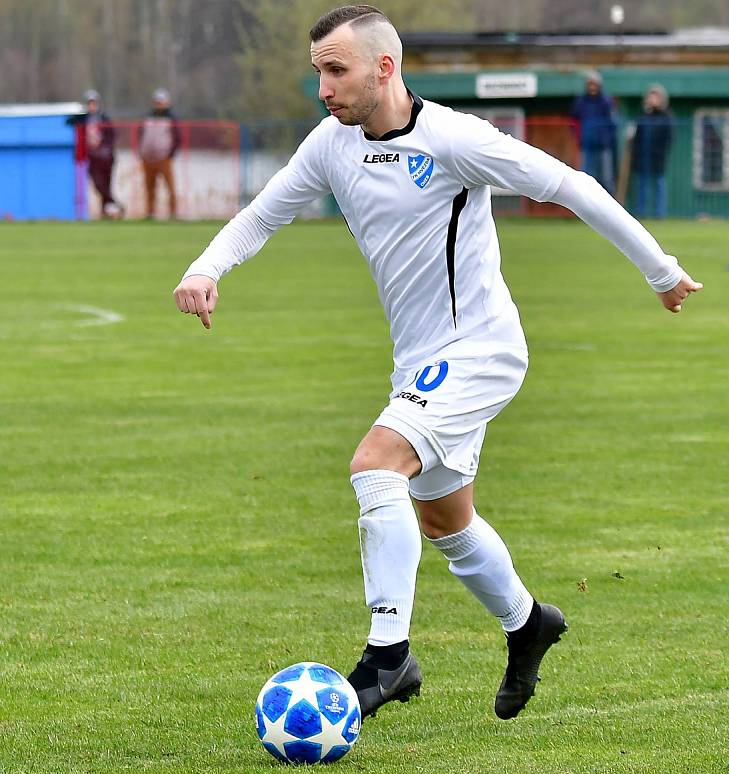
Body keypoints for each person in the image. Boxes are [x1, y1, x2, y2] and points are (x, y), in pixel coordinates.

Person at [173, 6, 702, 722]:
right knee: (446, 522)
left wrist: (660, 272)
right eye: (317, 72)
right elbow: (265, 213)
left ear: (384, 68)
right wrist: (208, 268)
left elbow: (570, 186)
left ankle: (387, 656)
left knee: (374, 464)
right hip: (420, 361)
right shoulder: (331, 144)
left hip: (480, 349)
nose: (322, 88)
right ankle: (527, 623)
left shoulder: (455, 139)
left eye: (336, 70)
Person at [66, 89, 123, 219]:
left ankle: (106, 212)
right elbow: (70, 121)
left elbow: (111, 136)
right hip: (92, 157)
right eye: (89, 103)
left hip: (105, 157)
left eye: (93, 103)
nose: (92, 105)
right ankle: (116, 204)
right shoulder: (84, 117)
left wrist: (105, 148)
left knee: (106, 184)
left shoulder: (104, 118)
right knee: (99, 184)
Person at [570, 72, 617, 195]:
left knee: (606, 178)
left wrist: (607, 138)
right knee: (586, 177)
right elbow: (574, 122)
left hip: (603, 146)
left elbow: (613, 123)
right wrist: (579, 137)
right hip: (586, 145)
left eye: (594, 84)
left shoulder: (606, 101)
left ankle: (610, 206)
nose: (592, 87)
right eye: (590, 84)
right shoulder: (580, 101)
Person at [631, 85, 673, 218]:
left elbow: (669, 138)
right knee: (642, 185)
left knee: (659, 184)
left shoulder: (667, 116)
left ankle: (659, 213)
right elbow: (637, 136)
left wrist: (662, 152)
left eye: (656, 96)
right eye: (651, 96)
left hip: (658, 157)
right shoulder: (643, 115)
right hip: (643, 156)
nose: (653, 99)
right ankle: (641, 212)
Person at [139, 88, 180, 219]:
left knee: (170, 187)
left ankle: (173, 213)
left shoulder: (171, 118)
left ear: (167, 102)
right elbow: (141, 135)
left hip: (164, 158)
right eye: (157, 102)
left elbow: (177, 138)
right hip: (147, 158)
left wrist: (170, 154)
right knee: (149, 187)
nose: (159, 104)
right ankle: (150, 212)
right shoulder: (148, 117)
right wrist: (141, 151)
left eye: (161, 102)